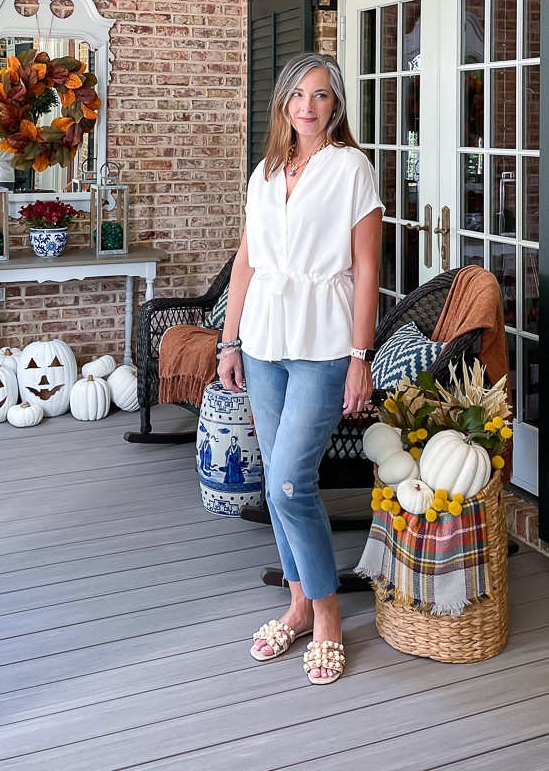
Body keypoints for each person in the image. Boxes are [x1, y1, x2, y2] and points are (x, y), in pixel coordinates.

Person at [216, 51, 383, 686]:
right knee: (275, 483)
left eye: (319, 96)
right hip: (261, 341)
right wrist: (228, 343)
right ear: (282, 103)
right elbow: (245, 264)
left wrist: (360, 355)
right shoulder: (263, 174)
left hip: (324, 341)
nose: (306, 107)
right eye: (297, 95)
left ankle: (328, 615)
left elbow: (367, 269)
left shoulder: (352, 169)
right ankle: (296, 606)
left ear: (335, 106)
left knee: (290, 481)